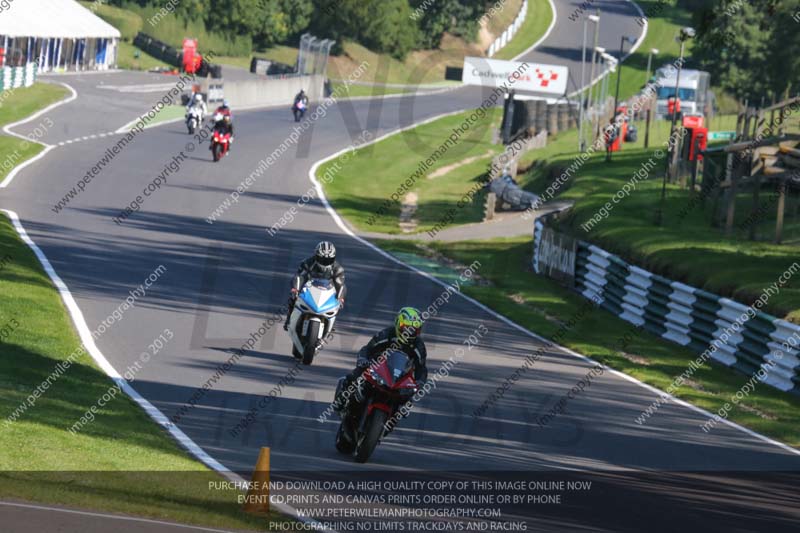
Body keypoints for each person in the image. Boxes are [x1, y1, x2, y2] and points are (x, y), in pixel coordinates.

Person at [334, 307, 428, 413]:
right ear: (398, 324)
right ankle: (341, 399)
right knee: (357, 374)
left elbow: (421, 367)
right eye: (405, 328)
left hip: (399, 377)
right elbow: (367, 349)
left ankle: (393, 418)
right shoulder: (387, 334)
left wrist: (420, 382)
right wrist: (363, 360)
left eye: (414, 330)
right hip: (377, 369)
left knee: (408, 398)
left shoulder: (418, 346)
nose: (409, 333)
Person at [284, 241, 346, 333]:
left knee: (337, 305)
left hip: (327, 291)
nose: (325, 263)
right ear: (316, 256)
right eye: (322, 259)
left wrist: (340, 298)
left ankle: (331, 322)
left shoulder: (338, 269)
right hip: (309, 288)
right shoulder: (307, 263)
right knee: (292, 297)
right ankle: (288, 319)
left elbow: (340, 284)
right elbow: (300, 277)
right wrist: (296, 289)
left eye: (328, 260)